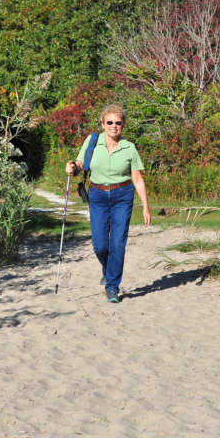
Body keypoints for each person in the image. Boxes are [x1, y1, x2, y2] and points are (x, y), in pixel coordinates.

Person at [66, 104, 150, 303]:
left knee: (118, 243)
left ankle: (112, 286)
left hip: (123, 196)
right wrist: (72, 167)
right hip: (98, 195)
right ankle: (107, 268)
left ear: (123, 125)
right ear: (103, 124)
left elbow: (137, 179)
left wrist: (145, 206)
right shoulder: (93, 141)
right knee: (100, 245)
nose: (114, 126)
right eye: (110, 122)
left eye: (118, 123)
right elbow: (80, 164)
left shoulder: (129, 147)